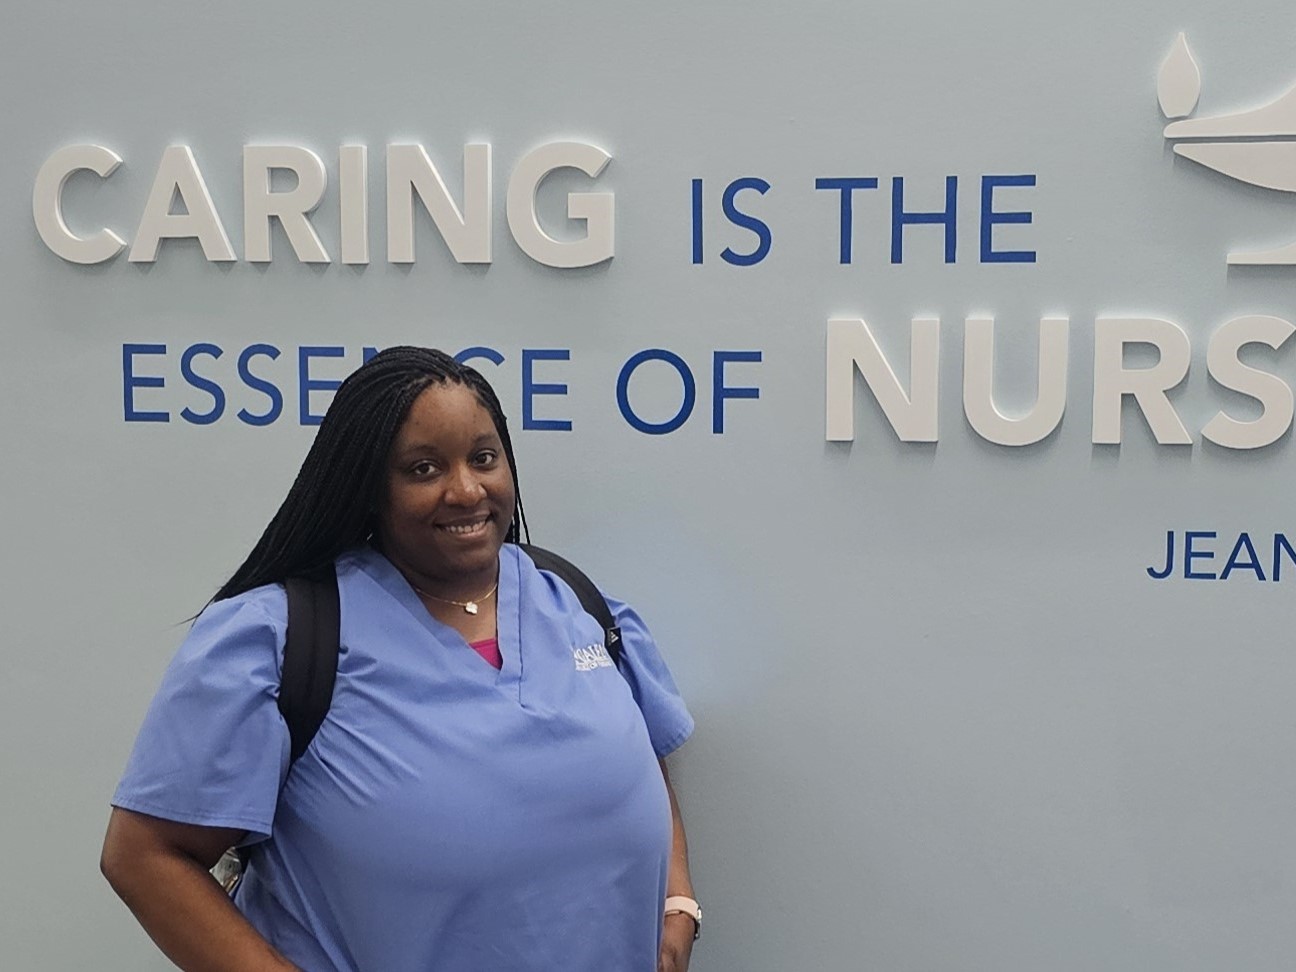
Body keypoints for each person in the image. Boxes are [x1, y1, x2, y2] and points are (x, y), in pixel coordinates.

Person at [100, 347, 700, 972]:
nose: (466, 490)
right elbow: (145, 854)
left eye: (484, 458)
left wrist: (678, 903)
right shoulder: (279, 642)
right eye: (423, 468)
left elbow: (645, 767)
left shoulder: (577, 602)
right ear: (367, 489)